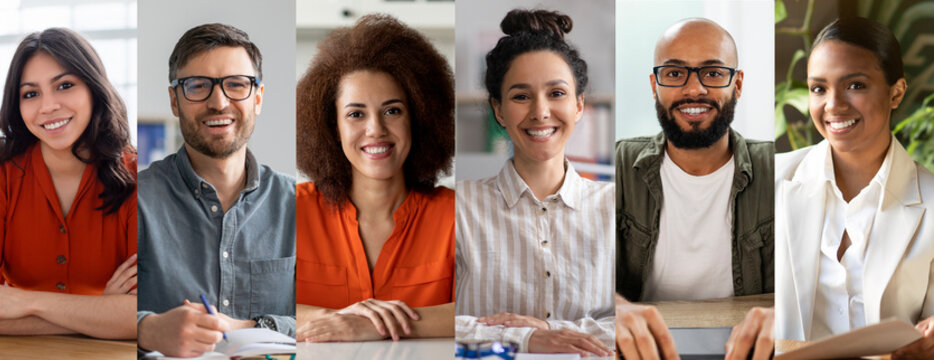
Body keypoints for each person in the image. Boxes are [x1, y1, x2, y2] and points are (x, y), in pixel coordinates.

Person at [454, 9, 612, 357]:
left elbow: (637, 320)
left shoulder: (616, 208)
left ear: (579, 105)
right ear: (498, 110)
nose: (540, 112)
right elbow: (432, 320)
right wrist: (525, 339)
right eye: (521, 96)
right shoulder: (459, 208)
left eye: (556, 93)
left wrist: (550, 331)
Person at [774, 17, 934, 359]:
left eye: (855, 85)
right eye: (819, 88)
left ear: (896, 92)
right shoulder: (770, 182)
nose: (833, 105)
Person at [614, 18, 775, 359]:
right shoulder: (620, 166)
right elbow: (578, 274)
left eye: (713, 73)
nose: (694, 89)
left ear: (738, 83)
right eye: (674, 74)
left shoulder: (777, 170)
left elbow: (815, 283)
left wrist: (788, 312)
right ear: (654, 85)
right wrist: (613, 307)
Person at [135, 23, 297, 358]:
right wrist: (148, 329)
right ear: (174, 101)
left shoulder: (301, 206)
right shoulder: (133, 201)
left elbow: (326, 319)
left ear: (258, 98)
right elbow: (103, 309)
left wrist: (249, 328)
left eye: (236, 85)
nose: (219, 102)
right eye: (197, 86)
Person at [294, 13, 455, 343]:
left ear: (418, 118)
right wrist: (329, 319)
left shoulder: (456, 216)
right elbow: (247, 305)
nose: (376, 130)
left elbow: (486, 313)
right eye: (356, 114)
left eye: (392, 110)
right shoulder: (290, 211)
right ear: (333, 129)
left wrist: (371, 325)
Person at [0, 28, 137, 340]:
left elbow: (138, 317)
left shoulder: (136, 176)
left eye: (65, 85)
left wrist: (25, 302)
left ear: (93, 88)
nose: (47, 106)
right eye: (31, 94)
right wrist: (100, 312)